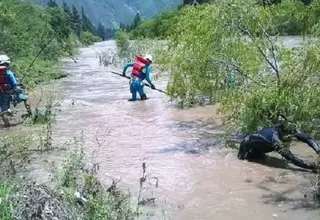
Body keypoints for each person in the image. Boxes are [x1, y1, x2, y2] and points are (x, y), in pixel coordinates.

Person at [238, 116, 320, 172]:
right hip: (247, 145)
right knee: (248, 163)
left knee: (262, 158)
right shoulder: (276, 140)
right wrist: (314, 166)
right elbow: (292, 158)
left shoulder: (289, 130)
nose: (290, 137)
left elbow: (307, 138)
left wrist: (318, 150)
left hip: (259, 144)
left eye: (292, 134)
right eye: (288, 135)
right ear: (281, 131)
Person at [0, 54, 31, 127]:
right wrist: (19, 85)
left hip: (1, 94)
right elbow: (14, 84)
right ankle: (30, 114)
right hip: (10, 93)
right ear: (7, 63)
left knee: (4, 110)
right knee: (25, 98)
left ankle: (7, 125)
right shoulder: (8, 72)